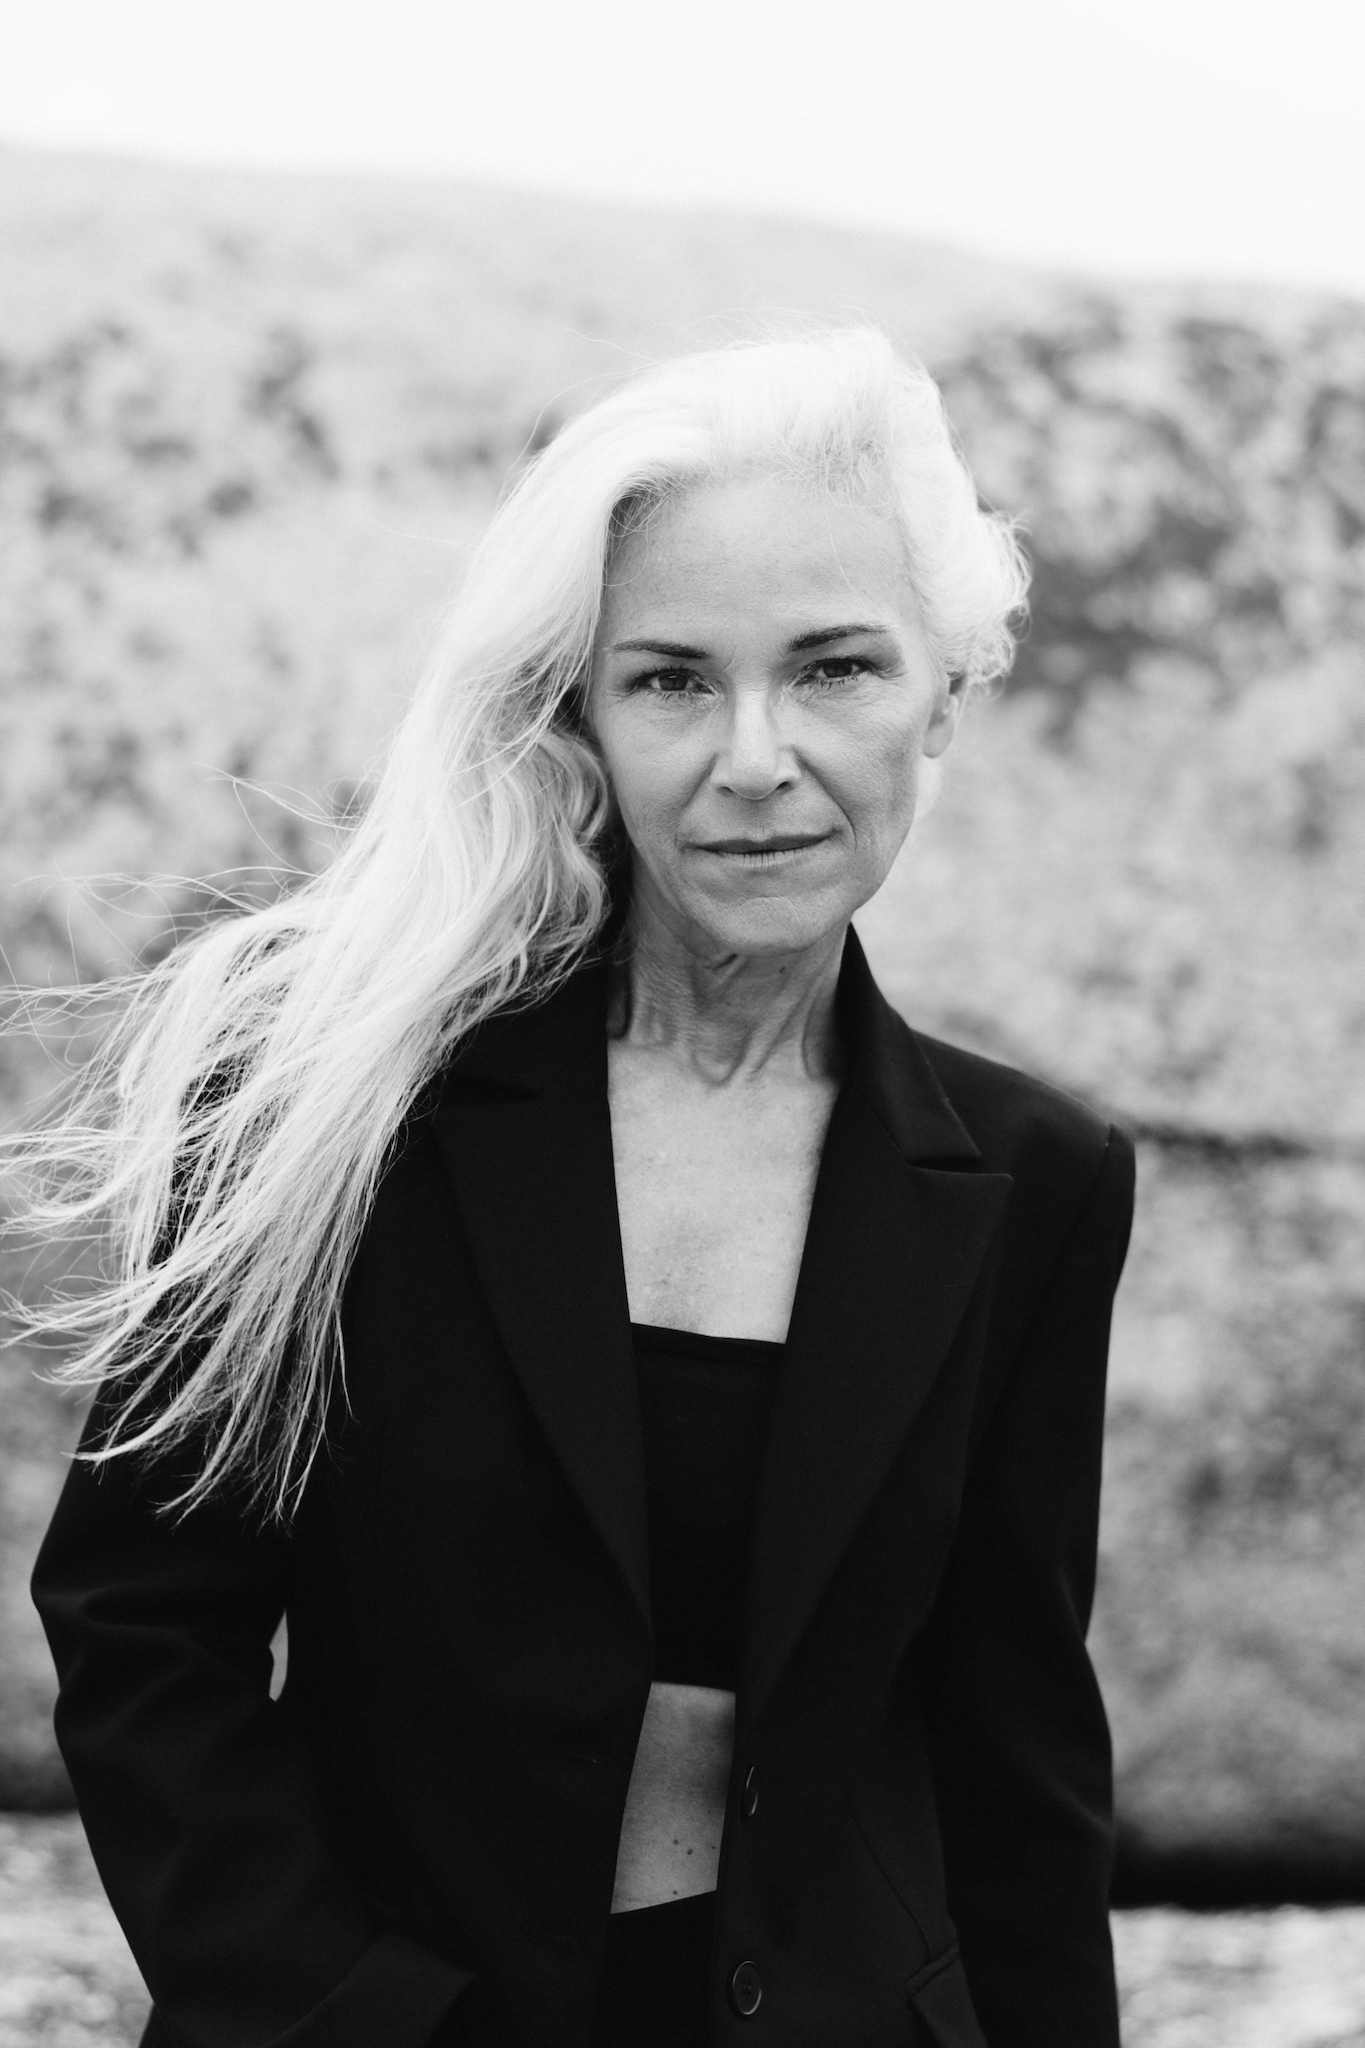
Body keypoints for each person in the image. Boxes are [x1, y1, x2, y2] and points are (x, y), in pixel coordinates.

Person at [24, 328, 1134, 2048]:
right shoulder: (323, 1095)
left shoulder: (1035, 1178)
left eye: (834, 667)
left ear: (947, 695)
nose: (755, 755)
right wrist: (358, 2018)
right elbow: (143, 1628)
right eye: (672, 679)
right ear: (579, 720)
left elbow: (1014, 1748)